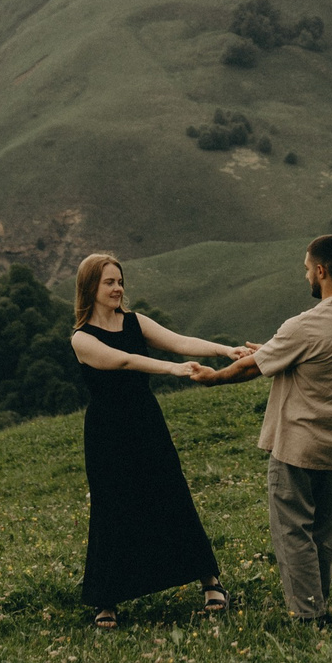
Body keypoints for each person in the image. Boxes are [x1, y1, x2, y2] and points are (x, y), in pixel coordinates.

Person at [189, 233, 332, 627]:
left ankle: (309, 616)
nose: (306, 276)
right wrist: (277, 348)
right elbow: (319, 354)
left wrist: (213, 377)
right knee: (322, 536)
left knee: (293, 533)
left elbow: (250, 368)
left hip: (298, 446)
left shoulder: (304, 326)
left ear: (321, 271)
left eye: (308, 270)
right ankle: (318, 605)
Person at [67, 251, 249, 630]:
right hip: (107, 432)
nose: (118, 288)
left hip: (146, 422)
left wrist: (224, 350)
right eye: (109, 282)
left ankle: (210, 581)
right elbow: (123, 361)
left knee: (171, 493)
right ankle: (107, 599)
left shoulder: (134, 322)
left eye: (120, 281)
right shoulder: (82, 339)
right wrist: (170, 369)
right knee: (113, 507)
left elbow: (178, 341)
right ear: (90, 287)